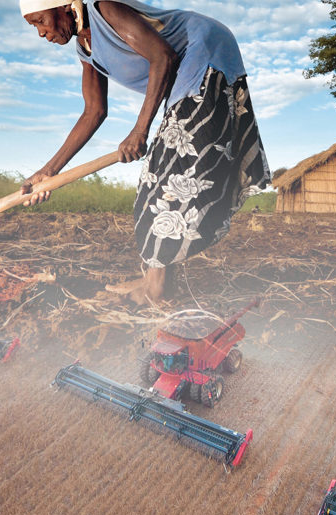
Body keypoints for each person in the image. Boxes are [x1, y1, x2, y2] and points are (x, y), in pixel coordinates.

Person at [19, 0, 270, 305]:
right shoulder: (85, 50)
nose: (41, 33)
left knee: (165, 179)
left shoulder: (105, 9)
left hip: (206, 52)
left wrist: (140, 131)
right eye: (34, 27)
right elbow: (93, 112)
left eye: (40, 21)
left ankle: (156, 286)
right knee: (158, 180)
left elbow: (163, 57)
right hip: (187, 75)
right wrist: (49, 171)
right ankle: (156, 280)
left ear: (63, 6)